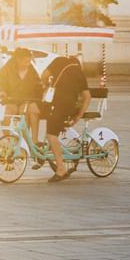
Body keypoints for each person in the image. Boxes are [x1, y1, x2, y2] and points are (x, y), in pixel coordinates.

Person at [40, 51, 88, 181]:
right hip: (70, 107)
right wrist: (78, 115)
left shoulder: (59, 60)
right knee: (51, 130)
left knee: (51, 134)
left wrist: (46, 84)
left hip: (58, 104)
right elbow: (87, 97)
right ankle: (43, 153)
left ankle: (61, 168)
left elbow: (44, 75)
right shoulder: (80, 72)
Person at [0, 46, 44, 150]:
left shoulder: (31, 70)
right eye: (26, 61)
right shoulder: (7, 68)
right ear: (18, 60)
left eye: (29, 60)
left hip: (28, 99)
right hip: (11, 99)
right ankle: (8, 139)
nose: (28, 63)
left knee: (31, 110)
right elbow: (0, 81)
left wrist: (39, 98)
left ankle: (34, 140)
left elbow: (38, 86)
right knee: (7, 112)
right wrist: (2, 91)